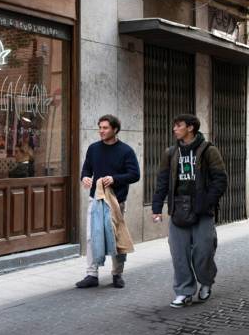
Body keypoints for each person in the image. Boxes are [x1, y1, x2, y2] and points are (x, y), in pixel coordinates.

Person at [151, 114, 227, 308]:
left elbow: (220, 180)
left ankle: (206, 281)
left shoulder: (209, 150)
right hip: (178, 209)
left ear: (191, 128)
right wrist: (157, 207)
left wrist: (206, 203)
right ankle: (184, 292)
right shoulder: (170, 153)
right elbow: (162, 181)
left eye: (179, 126)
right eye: (174, 126)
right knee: (179, 253)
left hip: (202, 210)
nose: (174, 129)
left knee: (203, 251)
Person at [76, 115, 140, 289]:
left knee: (116, 238)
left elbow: (135, 175)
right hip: (95, 199)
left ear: (115, 130)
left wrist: (114, 179)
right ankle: (91, 274)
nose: (101, 131)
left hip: (116, 202)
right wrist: (86, 178)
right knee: (91, 237)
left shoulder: (126, 151)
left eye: (105, 128)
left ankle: (117, 274)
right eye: (100, 127)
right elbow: (86, 169)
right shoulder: (93, 148)